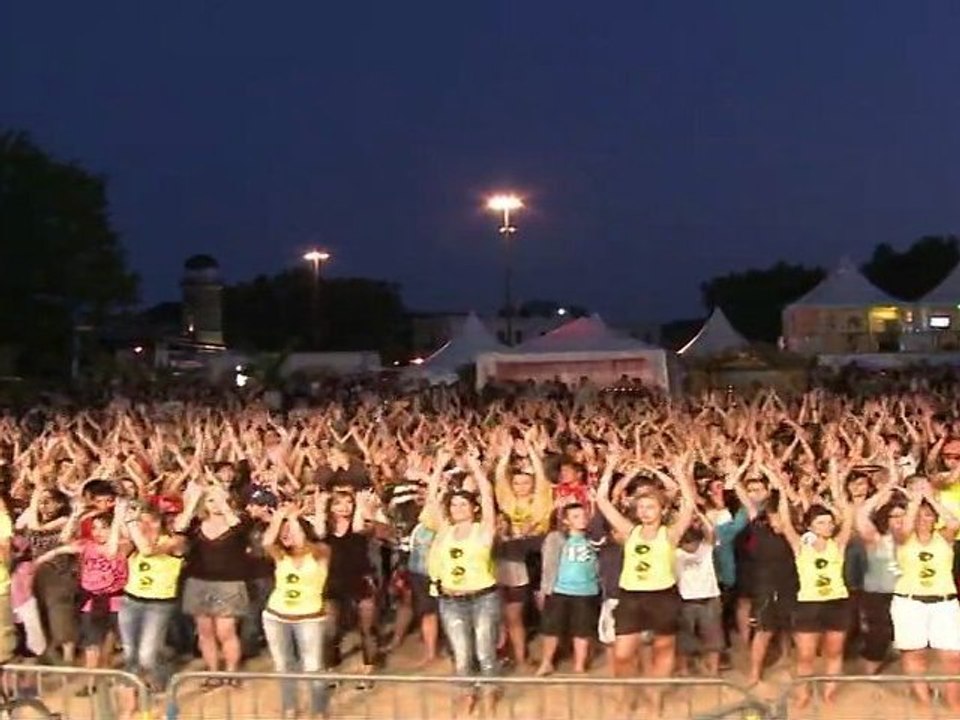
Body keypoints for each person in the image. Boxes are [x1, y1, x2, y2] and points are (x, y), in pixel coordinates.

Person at [594, 451, 696, 715]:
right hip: (631, 597)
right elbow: (602, 501)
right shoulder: (630, 532)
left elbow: (689, 505)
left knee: (663, 650)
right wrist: (610, 467)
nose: (645, 512)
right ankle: (626, 698)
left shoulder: (670, 534)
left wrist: (681, 474)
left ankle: (655, 700)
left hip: (663, 597)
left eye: (650, 507)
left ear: (662, 509)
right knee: (622, 653)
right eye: (641, 508)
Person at [766, 461, 855, 708]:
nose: (827, 527)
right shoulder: (800, 546)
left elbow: (848, 515)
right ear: (809, 526)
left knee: (834, 653)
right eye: (820, 523)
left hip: (837, 602)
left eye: (829, 522)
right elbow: (785, 521)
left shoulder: (838, 544)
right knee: (805, 656)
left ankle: (829, 693)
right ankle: (803, 693)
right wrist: (781, 488)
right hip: (808, 604)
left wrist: (838, 480)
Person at [425, 450, 499, 717]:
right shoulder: (445, 531)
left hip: (483, 598)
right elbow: (431, 499)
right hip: (451, 601)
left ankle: (489, 693)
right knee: (462, 654)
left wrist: (476, 468)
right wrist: (439, 466)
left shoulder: (484, 530)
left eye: (463, 504)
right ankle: (468, 694)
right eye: (454, 505)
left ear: (473, 508)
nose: (458, 509)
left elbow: (487, 495)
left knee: (485, 652)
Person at [889, 479, 960, 710]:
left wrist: (929, 497)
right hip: (909, 603)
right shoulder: (902, 538)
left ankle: (953, 701)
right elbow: (905, 528)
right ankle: (924, 701)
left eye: (928, 515)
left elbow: (954, 521)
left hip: (944, 603)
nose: (923, 519)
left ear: (935, 519)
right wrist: (915, 501)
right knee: (914, 654)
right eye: (918, 515)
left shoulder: (945, 537)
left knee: (953, 657)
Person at [174, 480, 249, 690]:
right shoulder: (196, 525)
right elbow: (179, 528)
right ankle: (213, 672)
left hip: (229, 584)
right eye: (210, 500)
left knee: (226, 631)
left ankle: (232, 672)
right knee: (205, 632)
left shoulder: (238, 521)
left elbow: (239, 528)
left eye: (219, 500)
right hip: (199, 582)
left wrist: (223, 502)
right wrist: (192, 502)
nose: (215, 504)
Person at [262, 502, 331, 720]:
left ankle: (318, 711)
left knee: (313, 667)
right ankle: (289, 708)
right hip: (276, 616)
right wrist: (278, 517)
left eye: (289, 531)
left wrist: (292, 518)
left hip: (309, 618)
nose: (285, 535)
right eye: (282, 533)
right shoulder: (280, 556)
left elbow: (302, 543)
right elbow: (267, 542)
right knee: (283, 665)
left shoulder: (320, 552)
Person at [537, 502, 600, 675]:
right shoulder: (556, 538)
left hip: (586, 591)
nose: (582, 519)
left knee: (582, 630)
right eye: (576, 516)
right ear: (566, 520)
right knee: (552, 630)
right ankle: (546, 662)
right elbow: (548, 565)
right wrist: (545, 590)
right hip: (560, 590)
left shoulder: (594, 538)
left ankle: (579, 666)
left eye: (584, 515)